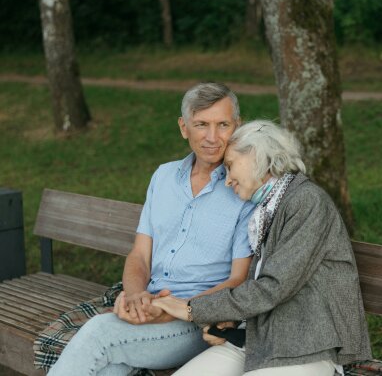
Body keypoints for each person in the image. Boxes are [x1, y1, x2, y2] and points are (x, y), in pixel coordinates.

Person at [48, 83, 255, 375]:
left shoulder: (244, 187)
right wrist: (135, 296)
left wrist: (173, 307)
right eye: (201, 125)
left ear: (237, 126)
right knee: (109, 370)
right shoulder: (163, 176)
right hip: (149, 304)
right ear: (184, 128)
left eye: (223, 125)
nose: (212, 137)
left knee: (99, 333)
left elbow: (238, 280)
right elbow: (140, 255)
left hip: (195, 322)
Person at [151, 120, 372, 376]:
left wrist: (191, 308)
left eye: (230, 166)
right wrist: (232, 324)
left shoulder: (306, 202)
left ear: (256, 154)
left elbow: (273, 288)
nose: (227, 180)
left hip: (305, 345)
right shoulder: (265, 210)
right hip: (260, 340)